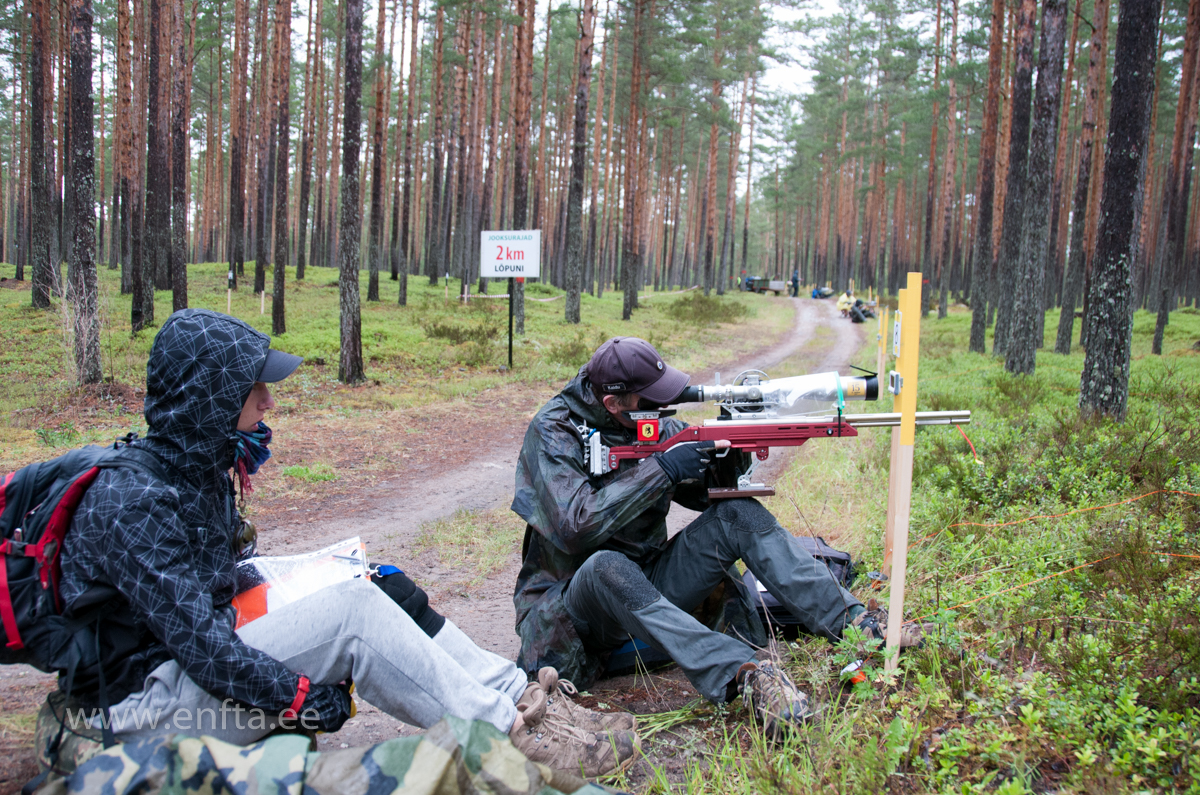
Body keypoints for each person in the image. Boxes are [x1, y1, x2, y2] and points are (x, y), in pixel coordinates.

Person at [56, 309, 637, 777]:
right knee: (354, 614)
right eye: (252, 385)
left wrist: (346, 573)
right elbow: (208, 653)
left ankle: (522, 699)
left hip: (186, 676)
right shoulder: (134, 502)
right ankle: (517, 736)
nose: (268, 400)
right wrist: (304, 696)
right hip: (137, 716)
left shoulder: (191, 470)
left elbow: (218, 595)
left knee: (371, 583)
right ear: (208, 394)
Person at [510, 337, 922, 737]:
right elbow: (574, 528)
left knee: (737, 514)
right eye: (650, 400)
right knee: (607, 566)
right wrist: (664, 469)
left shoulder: (653, 425)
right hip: (570, 610)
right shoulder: (554, 431)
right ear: (613, 404)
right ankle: (747, 676)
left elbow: (709, 495)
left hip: (646, 584)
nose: (663, 407)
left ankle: (855, 624)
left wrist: (732, 443)